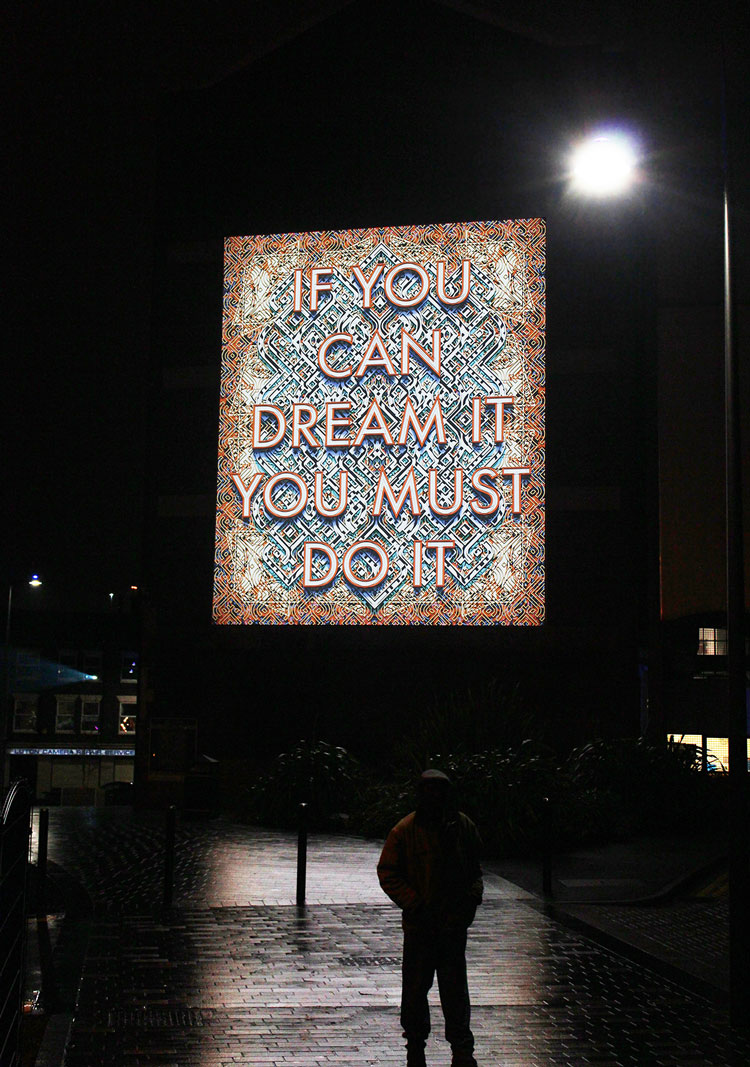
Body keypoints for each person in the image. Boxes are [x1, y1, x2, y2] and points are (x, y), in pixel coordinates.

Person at [377, 768, 483, 1067]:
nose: (435, 797)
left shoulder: (462, 827)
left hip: (451, 925)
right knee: (415, 989)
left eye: (440, 791)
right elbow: (388, 872)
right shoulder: (405, 831)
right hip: (422, 926)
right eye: (430, 791)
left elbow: (475, 869)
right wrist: (415, 904)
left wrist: (470, 900)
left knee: (455, 992)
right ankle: (416, 1044)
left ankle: (461, 1047)